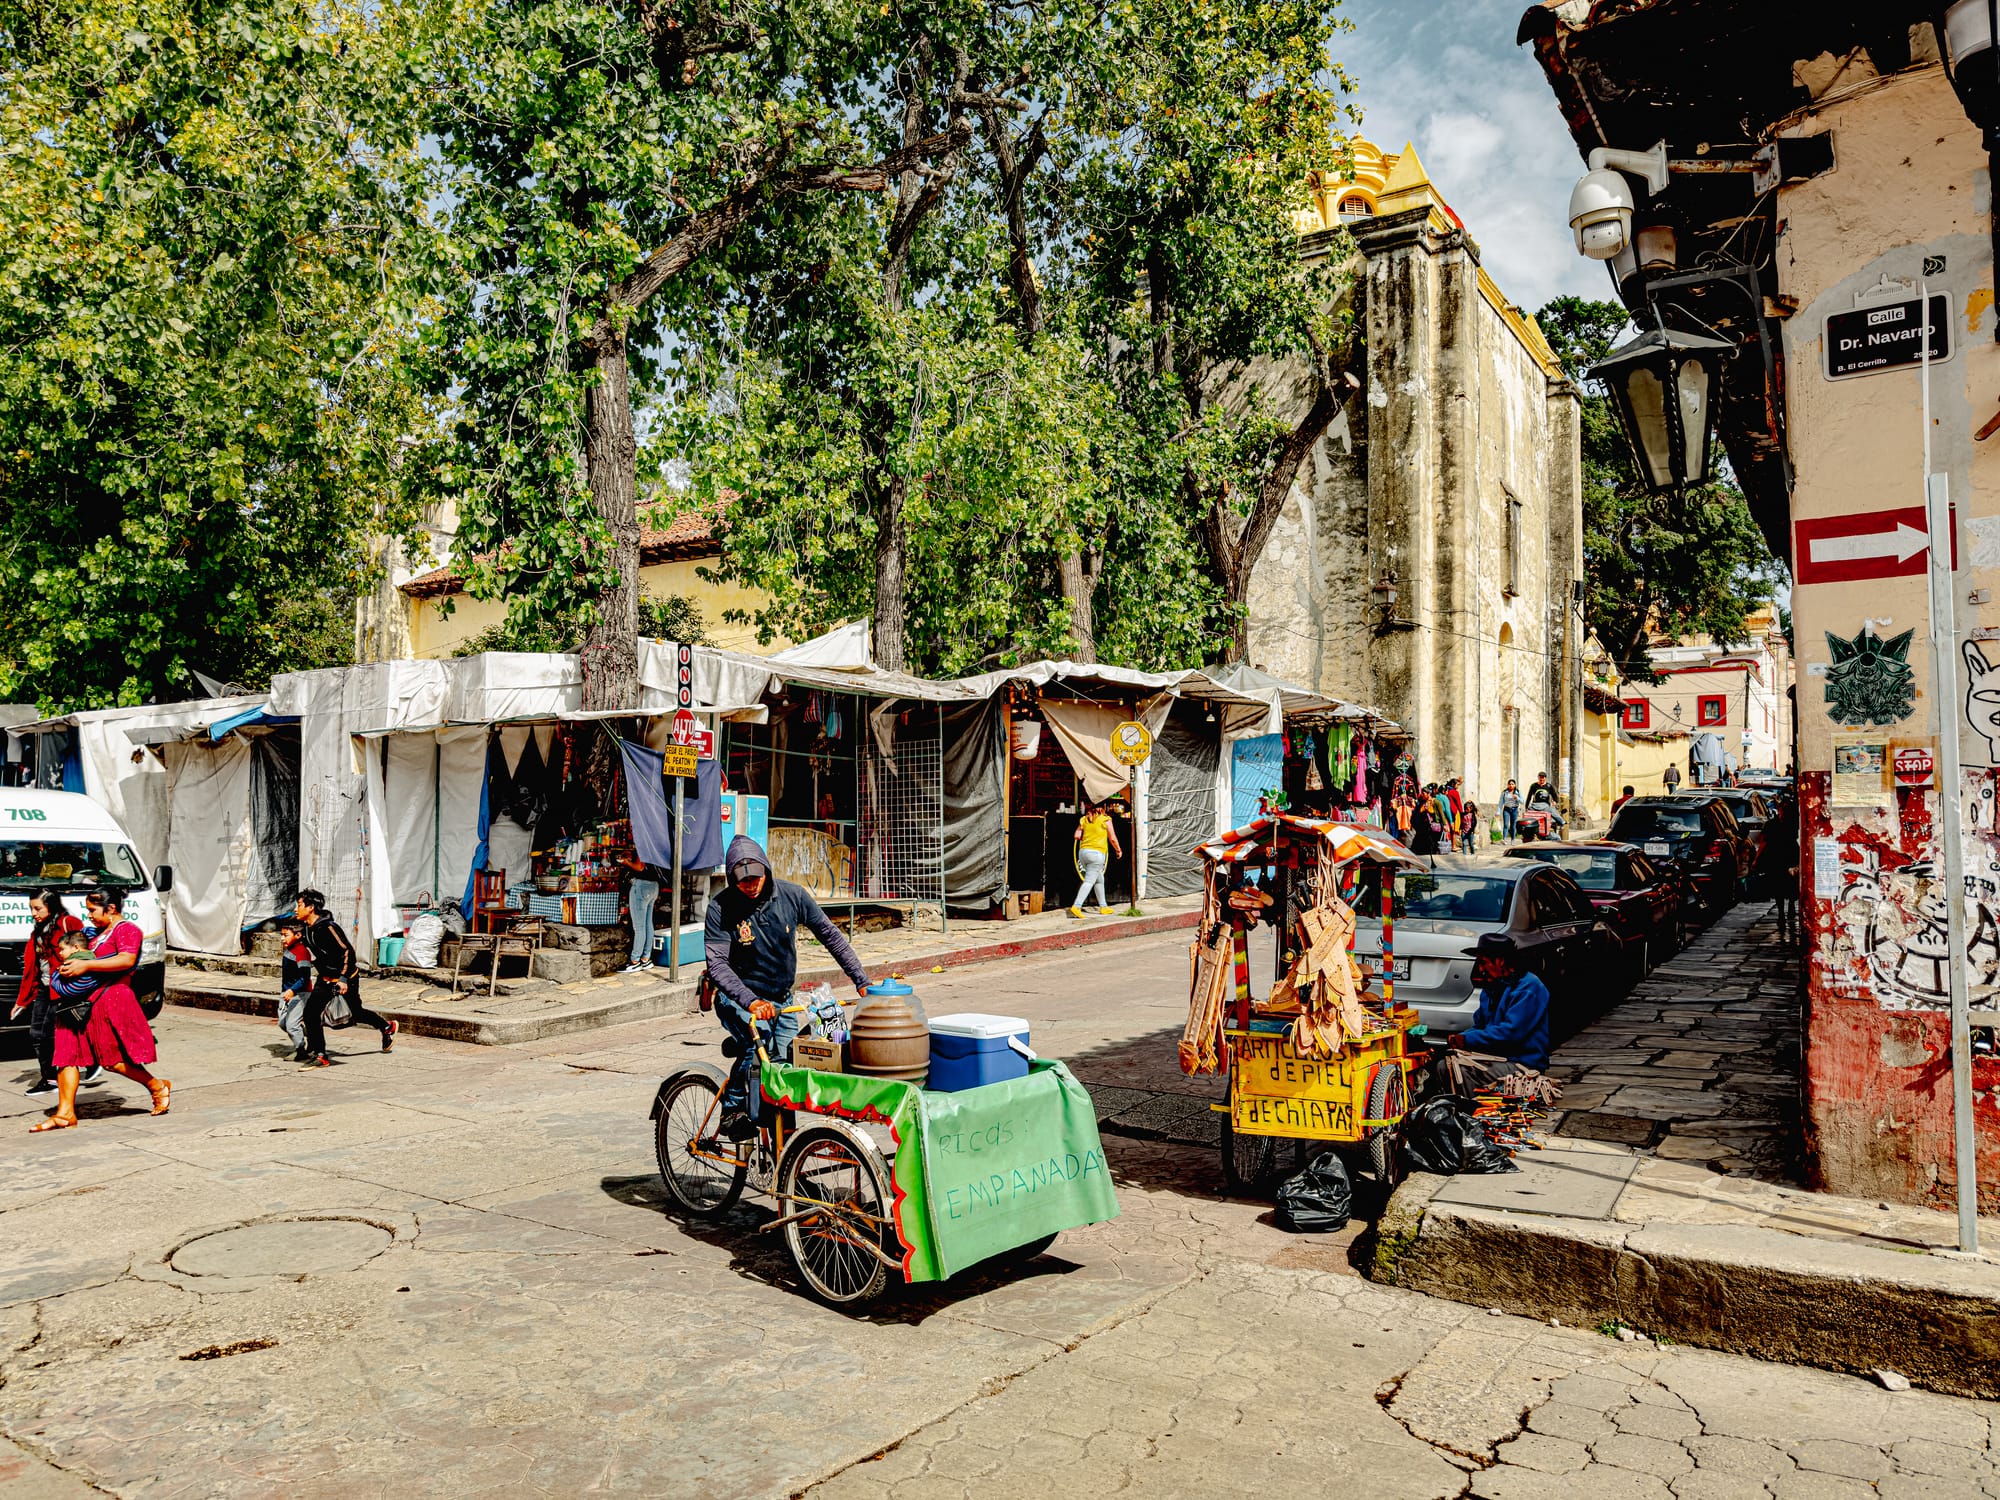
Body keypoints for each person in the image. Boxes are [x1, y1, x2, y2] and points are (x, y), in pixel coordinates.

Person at [704, 835, 870, 1138]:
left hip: (782, 999)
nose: (751, 885)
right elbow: (717, 965)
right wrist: (751, 1002)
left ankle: (780, 1151)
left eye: (755, 877)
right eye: (742, 881)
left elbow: (831, 937)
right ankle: (732, 1110)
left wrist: (862, 981)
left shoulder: (793, 897)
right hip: (738, 999)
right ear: (732, 880)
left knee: (788, 1070)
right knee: (758, 1040)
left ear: (766, 870)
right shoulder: (721, 908)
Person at [31, 888, 171, 1131]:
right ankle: (65, 1113)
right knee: (66, 1055)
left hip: (111, 999)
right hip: (80, 1003)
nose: (89, 915)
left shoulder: (128, 930)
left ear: (112, 909)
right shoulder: (91, 933)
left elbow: (126, 960)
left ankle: (157, 1086)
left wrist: (86, 966)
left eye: (93, 910)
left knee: (111, 1060)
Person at [294, 889, 396, 1067]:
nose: (296, 909)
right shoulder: (307, 929)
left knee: (356, 1013)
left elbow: (347, 951)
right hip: (325, 979)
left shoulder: (328, 927)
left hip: (346, 978)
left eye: (299, 905)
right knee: (310, 1014)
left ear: (310, 907)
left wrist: (343, 978)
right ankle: (319, 1054)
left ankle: (386, 1027)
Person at [10, 890, 87, 1097]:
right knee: (36, 1034)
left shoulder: (68, 923)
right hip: (45, 989)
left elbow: (85, 951)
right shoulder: (39, 930)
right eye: (31, 909)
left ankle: (72, 1070)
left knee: (49, 1035)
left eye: (38, 908)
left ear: (50, 906)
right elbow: (32, 967)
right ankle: (50, 1078)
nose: (33, 913)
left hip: (64, 988)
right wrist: (23, 1000)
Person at [1444, 933, 1550, 1073]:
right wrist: (1459, 1039)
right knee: (1444, 1066)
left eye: (1483, 963)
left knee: (1465, 1072)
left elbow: (1510, 1033)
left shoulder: (1529, 988)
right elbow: (1480, 1025)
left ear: (1500, 961)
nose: (1481, 969)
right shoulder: (1492, 987)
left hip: (1523, 1064)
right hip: (1497, 1058)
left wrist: (1467, 1039)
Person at [1071, 801, 1124, 918]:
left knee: (1099, 879)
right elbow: (1113, 838)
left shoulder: (1084, 819)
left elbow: (1077, 835)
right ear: (1104, 807)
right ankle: (1077, 906)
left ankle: (1103, 906)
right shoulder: (1106, 819)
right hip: (1096, 854)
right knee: (1089, 881)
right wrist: (1118, 850)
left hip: (1083, 853)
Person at [619, 853, 669, 972]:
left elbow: (640, 867)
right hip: (654, 886)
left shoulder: (643, 841)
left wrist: (627, 863)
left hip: (642, 886)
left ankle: (635, 961)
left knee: (639, 927)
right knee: (648, 924)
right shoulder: (655, 843)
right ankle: (646, 959)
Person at [276, 917, 314, 1061]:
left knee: (292, 1025)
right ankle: (312, 1034)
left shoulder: (301, 952)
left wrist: (292, 991)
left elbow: (305, 977)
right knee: (283, 1023)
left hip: (300, 993)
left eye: (286, 935)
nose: (282, 938)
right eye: (282, 935)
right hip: (287, 992)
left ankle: (301, 1051)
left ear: (298, 936)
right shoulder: (289, 950)